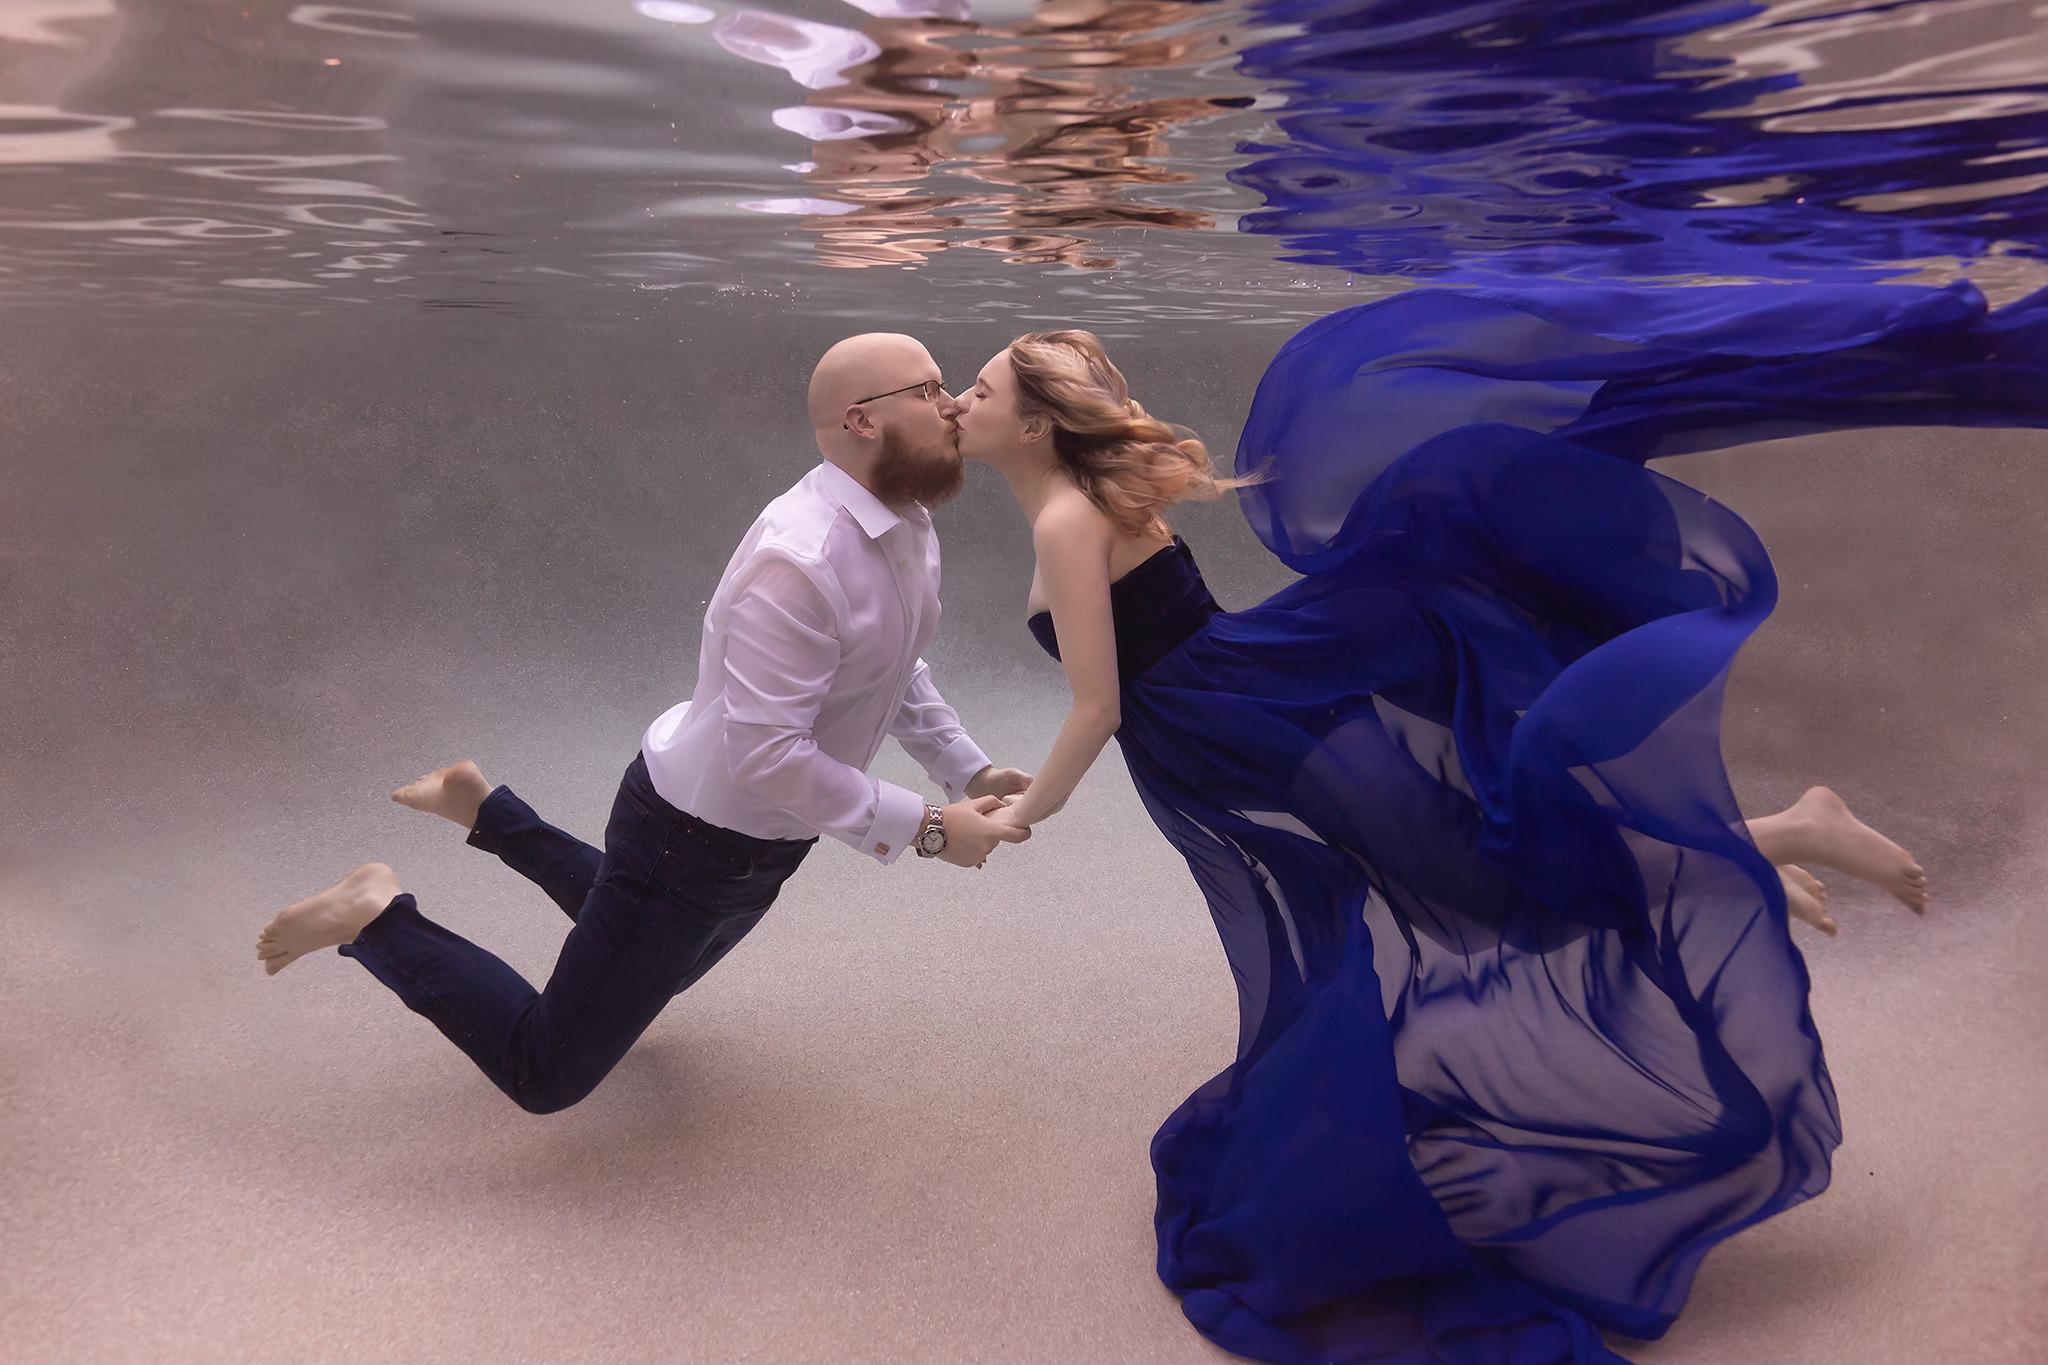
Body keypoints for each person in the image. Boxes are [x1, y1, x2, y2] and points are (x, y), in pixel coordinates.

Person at [946, 277, 2048, 1361]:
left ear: (1036, 422)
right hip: (1242, 715)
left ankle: (1776, 836)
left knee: (1488, 885)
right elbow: (1131, 665)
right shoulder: (1079, 510)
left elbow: (1098, 702)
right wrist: (1014, 779)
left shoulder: (1062, 521)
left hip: (1250, 726)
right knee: (1478, 878)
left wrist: (1029, 812)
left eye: (981, 386)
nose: (962, 398)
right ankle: (1756, 849)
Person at [254, 332, 1032, 1115]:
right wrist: (931, 828)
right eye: (929, 388)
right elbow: (768, 756)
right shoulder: (801, 560)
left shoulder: (906, 522)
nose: (954, 403)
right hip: (687, 841)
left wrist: (966, 768)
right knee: (543, 1071)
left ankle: (488, 809)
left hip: (761, 840)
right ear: (862, 421)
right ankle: (378, 916)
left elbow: (888, 665)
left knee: (666, 961)